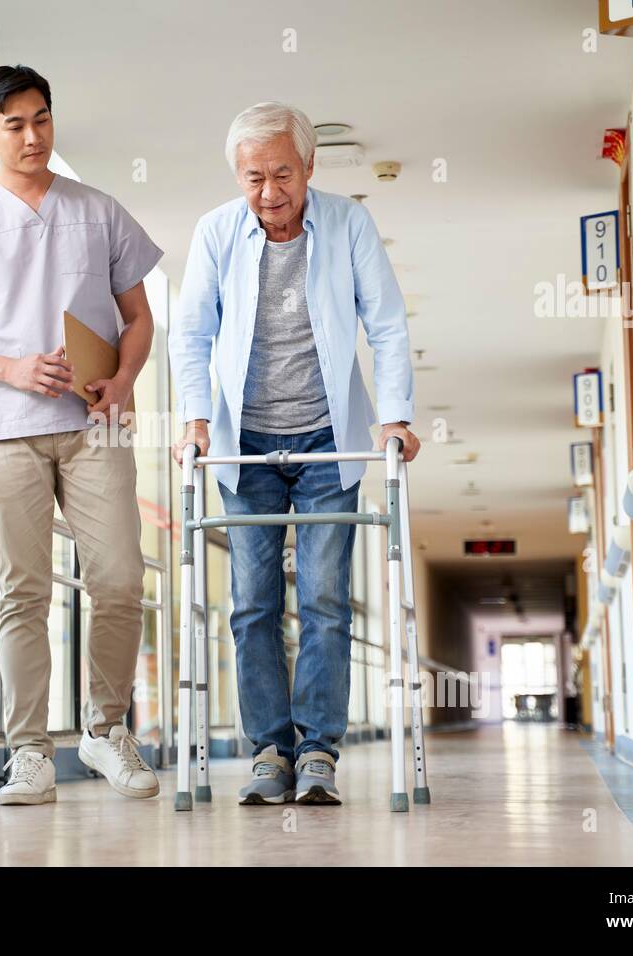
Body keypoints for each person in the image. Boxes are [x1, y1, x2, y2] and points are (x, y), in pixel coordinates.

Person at [0, 65, 162, 805]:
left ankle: (106, 730)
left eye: (41, 118)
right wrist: (8, 369)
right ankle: (29, 752)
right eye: (13, 125)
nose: (32, 135)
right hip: (6, 428)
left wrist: (127, 377)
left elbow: (138, 318)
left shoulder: (99, 211)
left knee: (118, 578)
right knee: (24, 592)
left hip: (93, 423)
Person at [170, 102, 419, 805]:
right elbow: (190, 334)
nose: (270, 191)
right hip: (242, 444)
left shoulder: (348, 225)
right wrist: (194, 421)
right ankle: (269, 749)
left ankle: (317, 750)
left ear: (309, 167)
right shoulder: (216, 233)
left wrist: (394, 418)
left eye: (283, 173)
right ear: (237, 177)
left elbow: (389, 325)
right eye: (254, 177)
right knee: (251, 603)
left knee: (325, 598)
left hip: (324, 443)